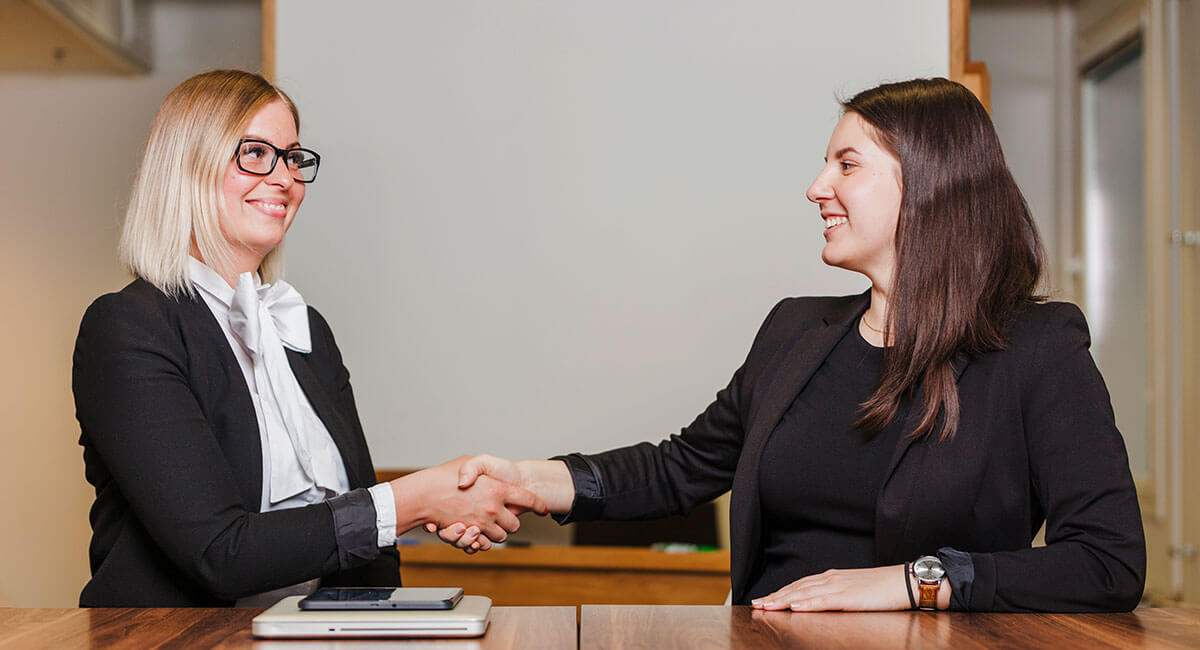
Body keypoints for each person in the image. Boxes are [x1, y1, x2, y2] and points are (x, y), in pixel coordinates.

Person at [433, 78, 1146, 612]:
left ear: (927, 185)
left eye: (847, 164)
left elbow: (1108, 562)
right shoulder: (795, 330)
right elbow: (680, 468)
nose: (816, 188)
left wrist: (913, 584)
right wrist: (526, 479)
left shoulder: (1037, 350)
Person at [72, 70, 545, 607]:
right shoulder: (128, 327)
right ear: (185, 167)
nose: (284, 178)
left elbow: (371, 550)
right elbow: (218, 552)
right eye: (255, 152)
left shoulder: (304, 328)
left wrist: (381, 632)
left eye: (293, 157)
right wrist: (414, 501)